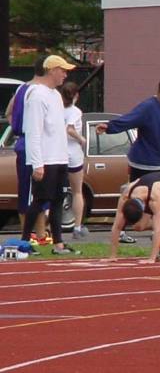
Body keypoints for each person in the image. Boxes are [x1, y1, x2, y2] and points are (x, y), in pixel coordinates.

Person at [22, 55, 78, 255]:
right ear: (52, 69)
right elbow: (34, 131)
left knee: (57, 201)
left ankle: (59, 243)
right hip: (45, 159)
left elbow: (57, 128)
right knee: (39, 201)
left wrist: (65, 157)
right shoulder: (36, 95)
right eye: (62, 70)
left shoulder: (55, 95)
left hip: (59, 158)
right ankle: (24, 242)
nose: (65, 74)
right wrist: (38, 163)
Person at [96, 76, 160, 181]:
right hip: (141, 164)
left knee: (159, 195)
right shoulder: (148, 107)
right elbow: (129, 119)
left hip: (158, 163)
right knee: (140, 195)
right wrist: (108, 126)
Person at [8, 56, 49, 241]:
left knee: (30, 191)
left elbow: (9, 112)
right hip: (32, 144)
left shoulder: (21, 88)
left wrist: (17, 127)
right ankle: (34, 234)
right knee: (32, 192)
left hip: (24, 141)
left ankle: (37, 234)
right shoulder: (37, 91)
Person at [61, 82, 90, 239]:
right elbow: (70, 128)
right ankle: (77, 227)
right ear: (76, 95)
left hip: (57, 152)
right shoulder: (75, 111)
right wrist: (82, 139)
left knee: (54, 191)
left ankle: (49, 227)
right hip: (72, 153)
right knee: (77, 191)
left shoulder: (57, 109)